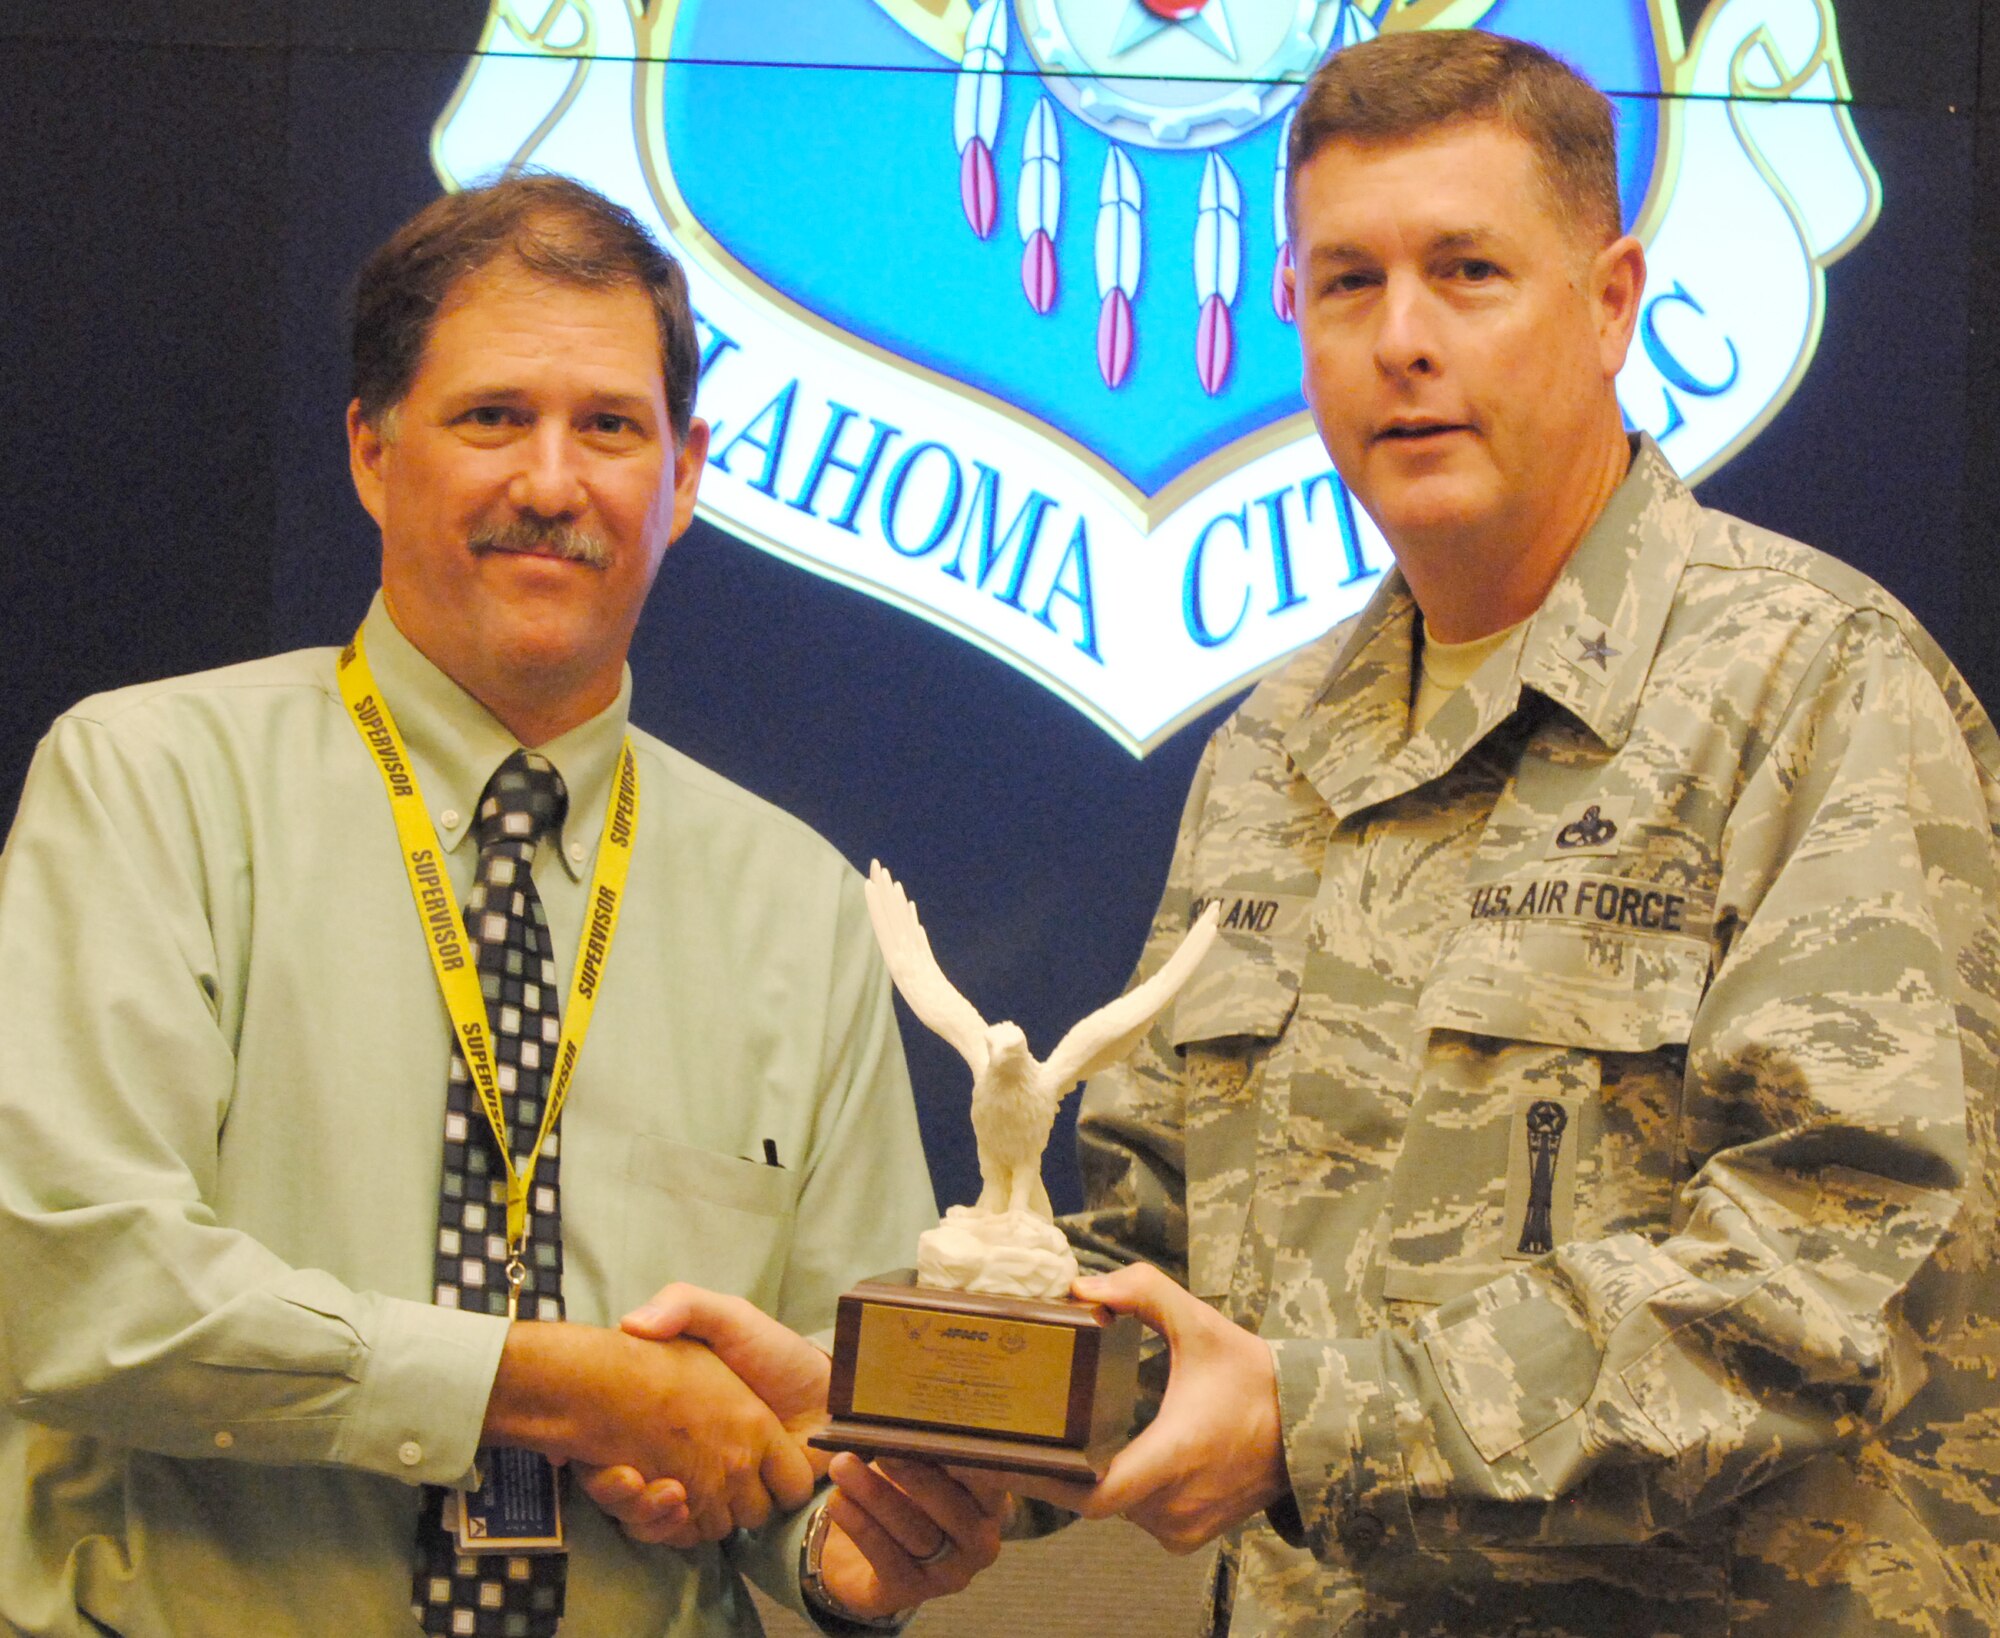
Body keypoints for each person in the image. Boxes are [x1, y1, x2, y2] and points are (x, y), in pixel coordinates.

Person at [1030, 28, 2000, 1637]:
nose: (1402, 338)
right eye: (1348, 283)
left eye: (1466, 270)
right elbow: (1158, 1248)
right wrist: (902, 1391)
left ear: (1612, 302)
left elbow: (1827, 1267)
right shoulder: (1276, 749)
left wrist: (1318, 1422)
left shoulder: (1814, 687)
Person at [0, 174, 1000, 1637]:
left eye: (610, 426)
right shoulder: (151, 784)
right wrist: (551, 1382)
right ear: (369, 448)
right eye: (491, 417)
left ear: (689, 473)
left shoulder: (797, 901)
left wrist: (844, 1548)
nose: (553, 480)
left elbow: (832, 1433)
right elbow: (69, 1280)